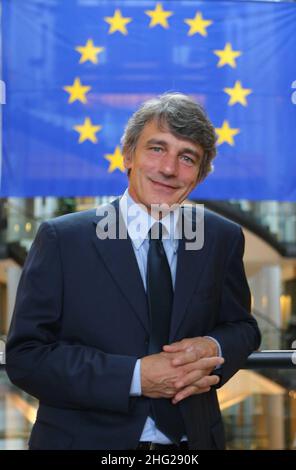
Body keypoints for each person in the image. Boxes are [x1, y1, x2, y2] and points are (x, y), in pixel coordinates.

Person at [6, 92, 261, 450]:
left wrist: (212, 345)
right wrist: (136, 377)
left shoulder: (221, 237)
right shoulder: (63, 239)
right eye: (156, 149)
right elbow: (26, 356)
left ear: (200, 176)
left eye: (187, 158)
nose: (169, 168)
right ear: (128, 155)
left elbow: (242, 328)